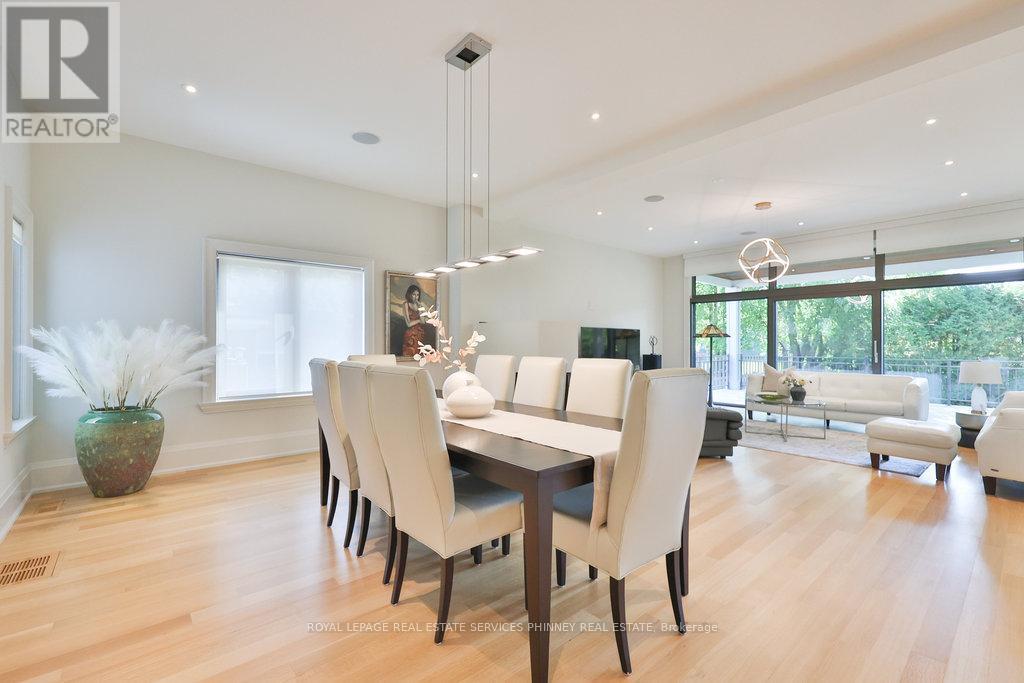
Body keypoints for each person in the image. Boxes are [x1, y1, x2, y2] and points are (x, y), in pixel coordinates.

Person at [401, 285, 426, 357]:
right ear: (409, 294)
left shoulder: (420, 305)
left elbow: (423, 321)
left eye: (417, 295)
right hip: (410, 335)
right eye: (414, 294)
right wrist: (418, 320)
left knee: (419, 357)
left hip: (419, 334)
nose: (416, 297)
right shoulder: (406, 304)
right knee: (410, 354)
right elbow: (408, 324)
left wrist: (420, 307)